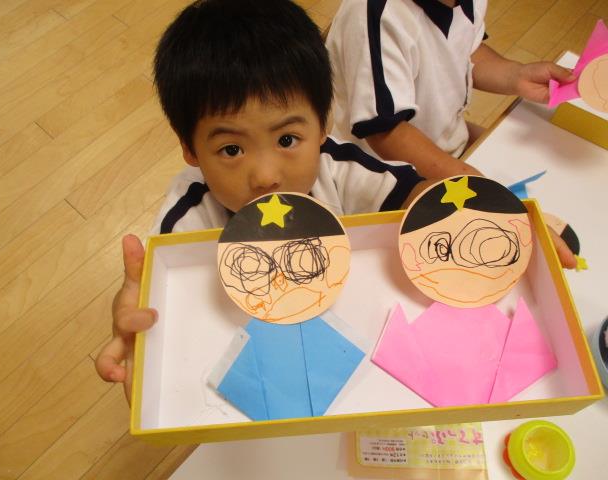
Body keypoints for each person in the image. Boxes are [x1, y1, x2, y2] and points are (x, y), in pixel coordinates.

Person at [95, 0, 576, 401]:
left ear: (323, 124)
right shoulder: (188, 217)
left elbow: (414, 192)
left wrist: (482, 213)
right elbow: (160, 298)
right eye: (231, 150)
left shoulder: (338, 166)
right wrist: (140, 321)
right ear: (190, 149)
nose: (265, 176)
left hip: (349, 356)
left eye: (287, 140)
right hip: (259, 368)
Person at [325, 0, 577, 179]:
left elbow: (465, 51)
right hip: (384, 174)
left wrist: (517, 76)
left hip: (445, 143)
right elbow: (386, 132)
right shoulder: (376, 13)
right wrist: (469, 178)